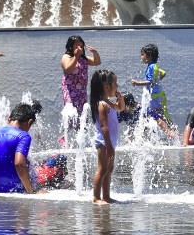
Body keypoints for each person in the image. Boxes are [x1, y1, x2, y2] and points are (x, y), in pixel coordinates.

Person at [0, 101, 42, 194]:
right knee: (56, 165)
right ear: (29, 122)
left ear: (9, 119)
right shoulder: (23, 136)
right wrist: (31, 191)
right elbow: (19, 164)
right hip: (18, 188)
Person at [90, 69, 125, 205]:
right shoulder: (101, 105)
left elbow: (121, 108)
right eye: (115, 82)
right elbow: (104, 127)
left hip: (110, 143)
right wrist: (108, 145)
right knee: (103, 169)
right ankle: (96, 197)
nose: (117, 85)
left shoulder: (109, 103)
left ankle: (106, 196)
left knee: (109, 169)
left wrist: (120, 99)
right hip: (104, 142)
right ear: (106, 86)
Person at [131, 43, 175, 137]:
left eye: (142, 54)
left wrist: (137, 83)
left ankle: (169, 132)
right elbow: (163, 73)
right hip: (157, 95)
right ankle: (172, 130)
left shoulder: (152, 67)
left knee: (155, 114)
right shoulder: (153, 66)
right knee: (160, 113)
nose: (141, 57)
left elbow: (151, 81)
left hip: (156, 96)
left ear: (149, 56)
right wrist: (157, 81)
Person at [61, 35, 101, 131]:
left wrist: (95, 52)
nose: (79, 48)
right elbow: (68, 69)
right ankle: (64, 134)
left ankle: (79, 136)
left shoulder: (84, 58)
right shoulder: (66, 57)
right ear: (70, 47)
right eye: (76, 46)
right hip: (70, 90)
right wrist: (76, 56)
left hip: (81, 91)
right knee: (70, 111)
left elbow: (97, 62)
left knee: (81, 113)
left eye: (81, 46)